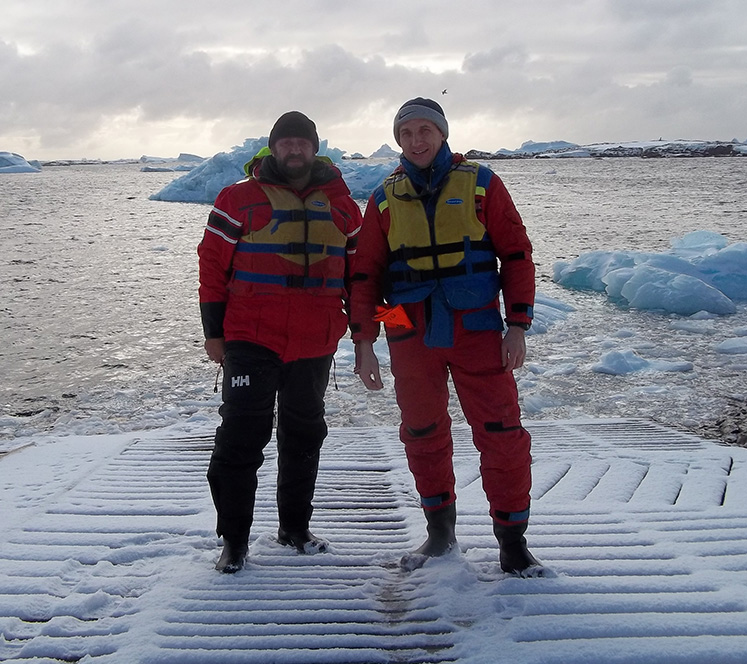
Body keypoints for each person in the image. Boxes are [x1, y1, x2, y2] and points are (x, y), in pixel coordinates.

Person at [350, 97, 545, 576]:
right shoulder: (382, 198)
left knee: (501, 431)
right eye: (407, 133)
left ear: (442, 134)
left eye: (425, 131)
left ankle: (512, 540)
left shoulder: (481, 184)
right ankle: (440, 534)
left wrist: (517, 325)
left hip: (476, 324)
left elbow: (516, 255)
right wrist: (366, 341)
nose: (417, 141)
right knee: (422, 431)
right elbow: (365, 275)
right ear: (399, 141)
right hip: (405, 328)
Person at [198, 111, 363, 573]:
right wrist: (214, 333)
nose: (294, 150)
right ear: (273, 148)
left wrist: (372, 330)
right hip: (251, 336)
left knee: (305, 435)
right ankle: (234, 540)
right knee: (241, 437)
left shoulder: (344, 206)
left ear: (315, 148)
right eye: (286, 143)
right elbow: (211, 267)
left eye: (302, 143)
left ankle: (294, 527)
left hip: (315, 341)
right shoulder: (238, 199)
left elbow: (361, 276)